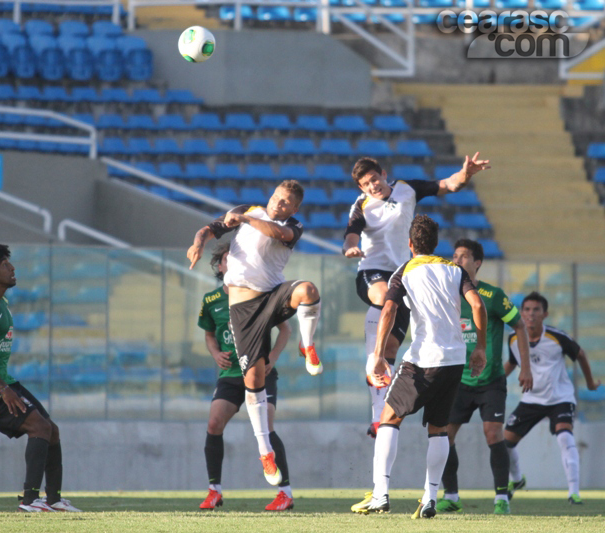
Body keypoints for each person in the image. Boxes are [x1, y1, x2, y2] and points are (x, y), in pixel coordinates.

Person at [342, 155, 490, 438]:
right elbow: (351, 234)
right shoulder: (361, 206)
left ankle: (379, 369)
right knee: (384, 302)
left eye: (374, 179)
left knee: (391, 353)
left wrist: (466, 173)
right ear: (360, 188)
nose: (372, 186)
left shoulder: (407, 189)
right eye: (365, 184)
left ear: (384, 174)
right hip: (372, 273)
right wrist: (350, 248)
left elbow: (449, 185)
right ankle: (374, 387)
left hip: (404, 277)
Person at [187, 180, 322, 487]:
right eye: (277, 198)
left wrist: (246, 219)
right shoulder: (249, 210)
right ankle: (265, 452)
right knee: (253, 382)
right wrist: (199, 242)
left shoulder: (292, 225)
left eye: (287, 202)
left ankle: (308, 345)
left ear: (295, 208)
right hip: (244, 310)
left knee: (309, 290)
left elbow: (278, 234)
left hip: (272, 296)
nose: (280, 204)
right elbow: (211, 228)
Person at [351, 215, 487, 519]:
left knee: (389, 417)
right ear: (436, 243)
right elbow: (477, 305)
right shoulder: (455, 270)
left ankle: (380, 494)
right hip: (455, 360)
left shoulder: (406, 270)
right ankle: (430, 498)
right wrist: (480, 347)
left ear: (410, 244)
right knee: (438, 428)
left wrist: (377, 354)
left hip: (424, 359)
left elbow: (388, 309)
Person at [0, 243, 80, 513]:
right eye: (5, 264)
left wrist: (6, 384)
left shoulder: (0, 303)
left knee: (51, 430)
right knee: (39, 428)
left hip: (5, 380)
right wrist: (3, 388)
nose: (12, 267)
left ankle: (53, 500)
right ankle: (29, 501)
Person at [435, 239, 532, 515]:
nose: (457, 260)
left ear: (477, 263)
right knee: (443, 436)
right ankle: (451, 495)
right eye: (454, 256)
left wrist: (525, 367)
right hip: (457, 380)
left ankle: (502, 497)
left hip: (490, 380)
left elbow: (520, 326)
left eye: (463, 256)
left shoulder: (493, 296)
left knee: (492, 434)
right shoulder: (447, 295)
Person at [198, 243, 295, 511]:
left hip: (260, 373)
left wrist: (272, 358)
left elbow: (285, 330)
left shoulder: (259, 295)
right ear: (220, 266)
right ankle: (214, 490)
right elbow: (208, 333)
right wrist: (215, 353)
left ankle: (285, 492)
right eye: (229, 259)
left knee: (267, 425)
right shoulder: (210, 300)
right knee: (214, 423)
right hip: (230, 375)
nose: (235, 262)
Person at [503, 291, 601, 505]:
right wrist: (496, 381)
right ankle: (517, 480)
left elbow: (581, 355)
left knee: (565, 437)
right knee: (504, 444)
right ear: (521, 313)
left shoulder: (557, 337)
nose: (531, 314)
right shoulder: (513, 339)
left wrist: (590, 383)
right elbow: (511, 362)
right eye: (527, 310)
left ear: (545, 314)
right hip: (531, 400)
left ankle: (573, 492)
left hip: (560, 398)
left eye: (536, 310)